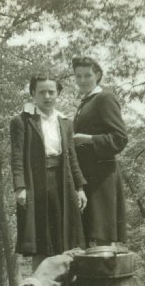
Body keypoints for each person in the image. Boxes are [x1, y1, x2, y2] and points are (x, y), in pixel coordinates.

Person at [10, 74, 87, 270]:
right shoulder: (21, 121)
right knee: (42, 242)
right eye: (41, 92)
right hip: (36, 185)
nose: (47, 96)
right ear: (33, 94)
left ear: (58, 93)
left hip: (63, 183)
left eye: (51, 92)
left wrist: (79, 187)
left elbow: (72, 157)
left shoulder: (65, 122)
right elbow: (17, 156)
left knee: (67, 240)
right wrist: (20, 187)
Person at [72, 55, 128, 246]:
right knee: (90, 236)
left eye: (87, 75)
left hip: (102, 178)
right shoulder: (86, 101)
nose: (82, 80)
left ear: (97, 74)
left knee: (101, 235)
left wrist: (87, 139)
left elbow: (120, 139)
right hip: (88, 178)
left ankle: (107, 274)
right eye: (78, 76)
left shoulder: (105, 97)